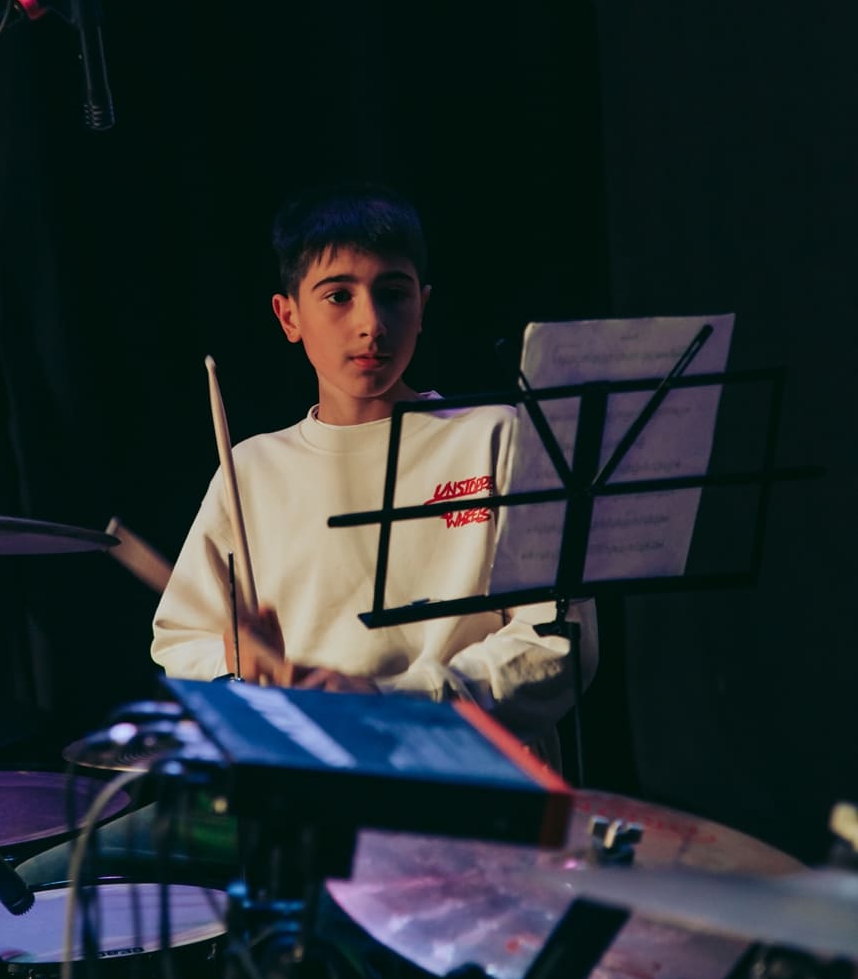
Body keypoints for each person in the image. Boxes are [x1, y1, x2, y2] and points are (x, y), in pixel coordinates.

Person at [152, 179, 597, 764]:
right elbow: (181, 642)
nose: (371, 323)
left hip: (476, 776)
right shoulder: (252, 470)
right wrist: (239, 675)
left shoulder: (499, 438)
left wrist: (395, 701)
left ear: (423, 307)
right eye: (339, 296)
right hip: (318, 779)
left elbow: (559, 644)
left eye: (392, 294)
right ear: (288, 316)